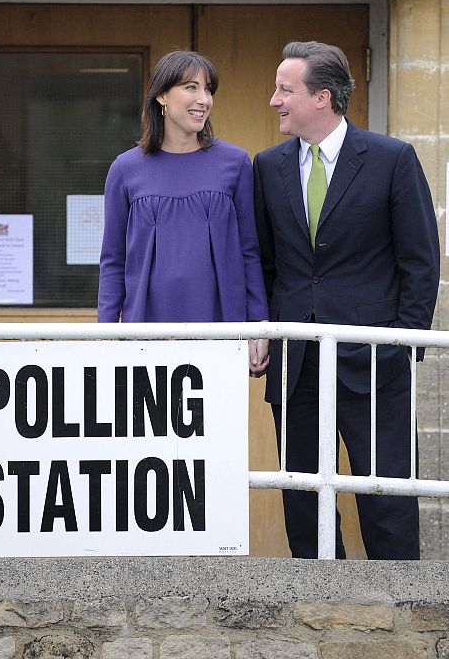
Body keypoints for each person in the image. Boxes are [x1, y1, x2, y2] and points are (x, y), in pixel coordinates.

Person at [253, 40, 440, 559]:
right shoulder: (266, 167)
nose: (274, 100)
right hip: (297, 358)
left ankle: (403, 613)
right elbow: (266, 264)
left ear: (324, 97)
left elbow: (421, 262)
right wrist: (265, 330)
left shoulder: (391, 159)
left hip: (374, 359)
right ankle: (315, 613)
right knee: (303, 498)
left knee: (388, 499)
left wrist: (402, 345)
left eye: (285, 90)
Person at [98, 49, 269, 374]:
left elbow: (249, 252)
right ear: (161, 95)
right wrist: (106, 334)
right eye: (191, 87)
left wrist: (258, 326)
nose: (203, 99)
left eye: (208, 89)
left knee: (217, 425)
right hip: (145, 333)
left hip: (220, 332)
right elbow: (113, 260)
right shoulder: (125, 169)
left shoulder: (235, 164)